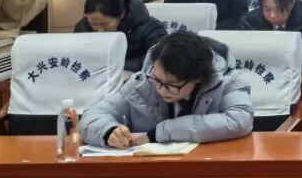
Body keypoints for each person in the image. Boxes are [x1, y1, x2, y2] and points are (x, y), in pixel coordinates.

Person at [80, 30, 253, 147]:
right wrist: (108, 131)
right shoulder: (143, 82)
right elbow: (94, 115)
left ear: (197, 77)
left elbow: (240, 120)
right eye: (157, 80)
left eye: (171, 85)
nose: (161, 90)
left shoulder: (229, 82)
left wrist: (163, 132)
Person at [73, 0, 168, 73]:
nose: (99, 30)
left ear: (122, 13)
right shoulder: (83, 27)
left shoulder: (151, 28)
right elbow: (73, 56)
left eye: (104, 24)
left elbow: (160, 59)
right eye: (93, 24)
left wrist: (115, 67)